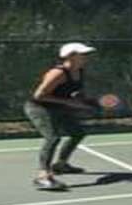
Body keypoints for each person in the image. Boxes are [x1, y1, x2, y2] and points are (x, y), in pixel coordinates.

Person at [24, 42, 98, 190]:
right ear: (71, 56)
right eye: (82, 54)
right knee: (53, 137)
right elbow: (39, 95)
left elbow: (73, 92)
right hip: (39, 108)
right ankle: (42, 176)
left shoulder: (79, 70)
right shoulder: (58, 73)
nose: (86, 57)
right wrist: (71, 103)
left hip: (59, 107)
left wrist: (85, 101)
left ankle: (61, 165)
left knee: (77, 133)